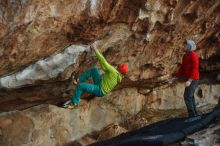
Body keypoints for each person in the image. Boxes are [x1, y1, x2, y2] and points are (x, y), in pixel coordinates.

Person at [63, 43, 128, 109]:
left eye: (120, 66)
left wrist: (95, 49)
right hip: (100, 84)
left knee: (80, 86)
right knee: (94, 70)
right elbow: (104, 67)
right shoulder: (118, 75)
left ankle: (74, 104)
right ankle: (78, 81)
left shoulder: (114, 72)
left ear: (119, 70)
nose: (118, 65)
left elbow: (103, 61)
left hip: (100, 90)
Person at [170, 40, 199, 117]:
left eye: (185, 45)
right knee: (190, 96)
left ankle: (192, 115)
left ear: (190, 46)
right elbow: (182, 68)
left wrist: (190, 80)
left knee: (187, 96)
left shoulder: (193, 55)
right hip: (189, 79)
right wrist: (175, 77)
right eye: (184, 45)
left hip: (193, 79)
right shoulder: (185, 56)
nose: (183, 47)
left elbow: (195, 68)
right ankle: (195, 114)